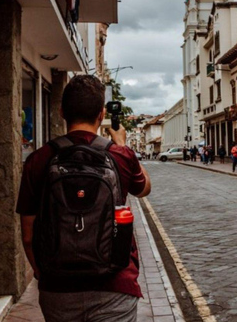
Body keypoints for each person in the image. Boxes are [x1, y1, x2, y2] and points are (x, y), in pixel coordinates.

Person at [16, 75, 151, 322]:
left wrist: (41, 273)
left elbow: (28, 235)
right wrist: (122, 144)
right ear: (101, 115)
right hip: (115, 285)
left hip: (58, 288)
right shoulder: (120, 156)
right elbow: (144, 189)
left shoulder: (38, 160)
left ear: (61, 111)